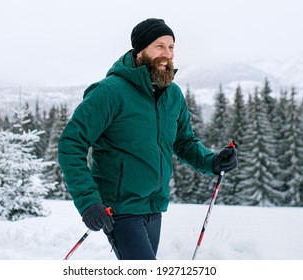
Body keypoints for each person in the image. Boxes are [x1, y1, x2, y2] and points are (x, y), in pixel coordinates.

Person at [58, 18, 238, 260]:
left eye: (171, 47)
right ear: (140, 51)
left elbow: (183, 141)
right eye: (159, 46)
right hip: (119, 209)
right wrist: (89, 202)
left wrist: (212, 162)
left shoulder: (172, 94)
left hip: (154, 207)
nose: (167, 54)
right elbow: (71, 144)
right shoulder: (110, 92)